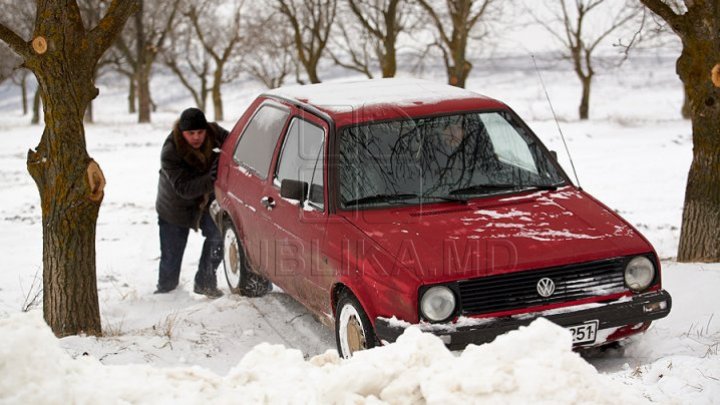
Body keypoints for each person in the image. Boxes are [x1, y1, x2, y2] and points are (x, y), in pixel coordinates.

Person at [154, 108, 229, 298]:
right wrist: (211, 178)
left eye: (200, 132)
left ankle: (205, 282)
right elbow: (184, 188)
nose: (196, 137)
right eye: (191, 133)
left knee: (217, 236)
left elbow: (236, 144)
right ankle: (166, 294)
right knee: (171, 258)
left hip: (205, 204)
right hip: (174, 208)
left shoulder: (215, 133)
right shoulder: (170, 151)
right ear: (182, 132)